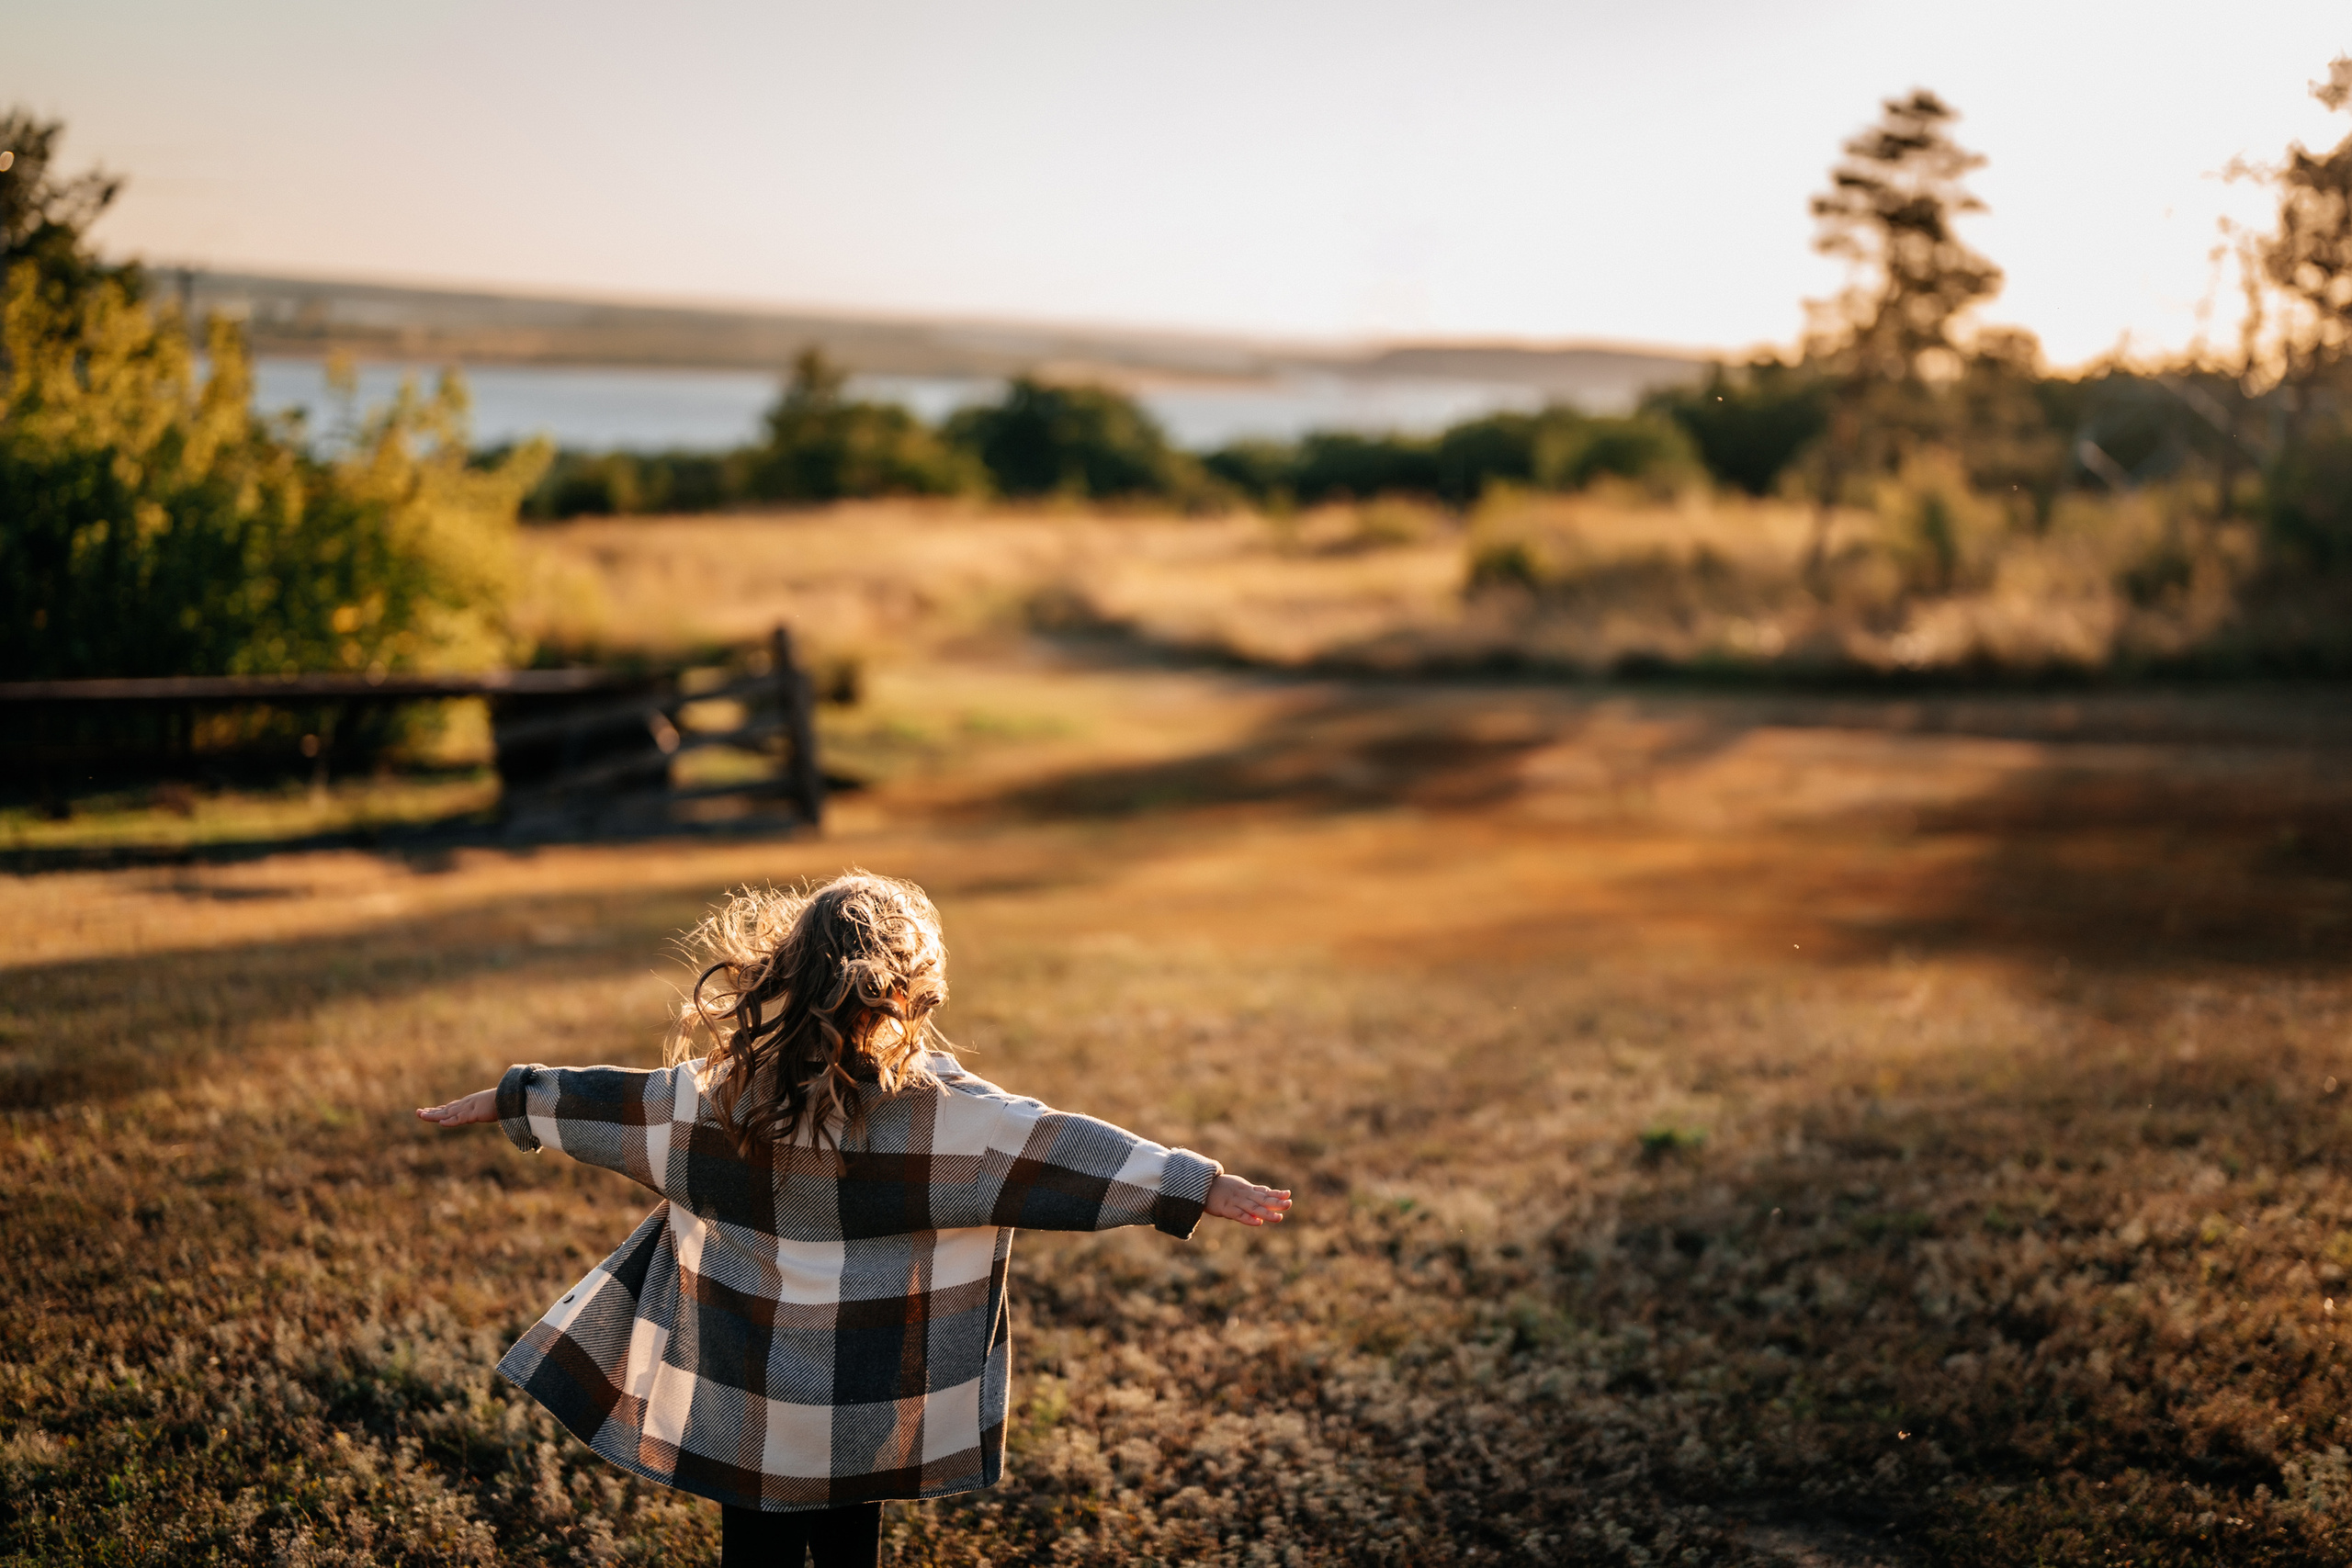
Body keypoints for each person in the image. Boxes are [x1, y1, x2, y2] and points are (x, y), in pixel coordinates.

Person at [417, 872, 1291, 1568]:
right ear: (913, 996)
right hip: (867, 1411)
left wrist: (515, 1097)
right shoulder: (955, 1121)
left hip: (742, 1404)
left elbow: (614, 1105)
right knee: (847, 1549)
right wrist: (1195, 1184)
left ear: (789, 975)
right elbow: (1065, 1150)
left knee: (753, 1552)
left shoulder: (713, 1103)